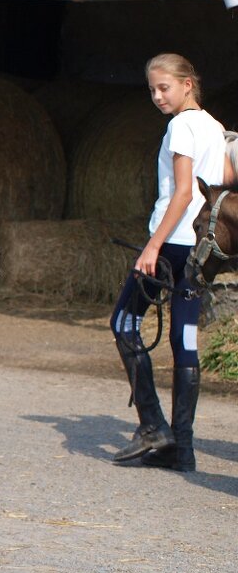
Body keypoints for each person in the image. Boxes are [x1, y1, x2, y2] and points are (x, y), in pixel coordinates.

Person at [110, 54, 227, 473]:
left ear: (188, 84)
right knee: (185, 338)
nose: (158, 96)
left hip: (171, 242)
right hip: (199, 249)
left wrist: (151, 247)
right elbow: (224, 182)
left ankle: (152, 425)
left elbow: (181, 194)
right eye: (152, 90)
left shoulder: (180, 126)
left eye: (165, 87)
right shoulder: (215, 127)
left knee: (123, 322)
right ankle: (183, 448)